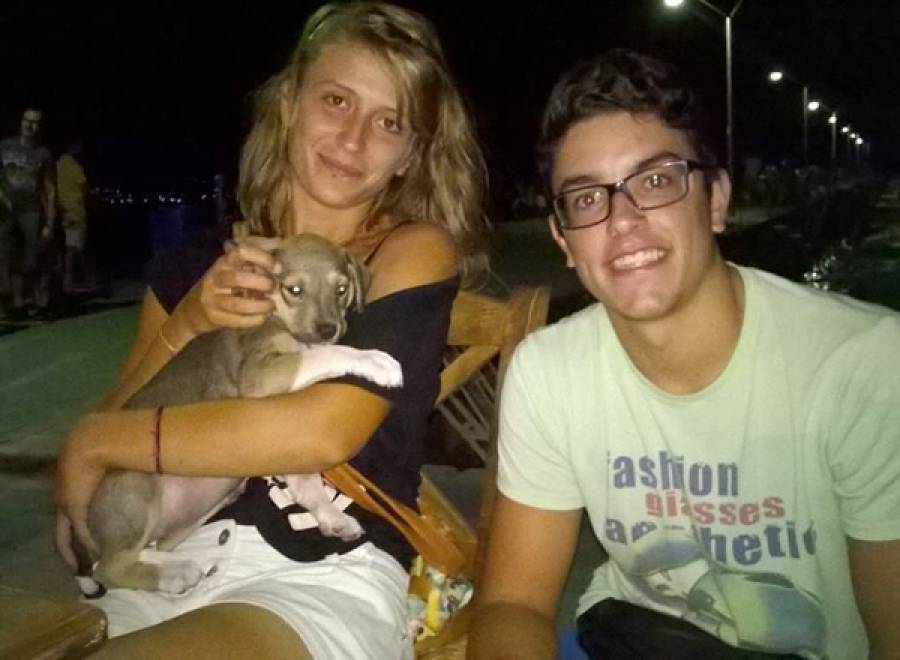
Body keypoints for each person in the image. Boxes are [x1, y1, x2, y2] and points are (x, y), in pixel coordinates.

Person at [54, 3, 487, 658]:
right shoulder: (196, 266)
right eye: (336, 100)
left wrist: (89, 442)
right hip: (170, 557)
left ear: (409, 156)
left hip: (318, 576)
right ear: (289, 103)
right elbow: (107, 458)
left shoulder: (405, 254)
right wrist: (191, 321)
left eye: (388, 122)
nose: (353, 138)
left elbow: (319, 430)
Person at [470, 48, 900, 660]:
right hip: (631, 636)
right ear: (563, 240)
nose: (623, 220)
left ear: (716, 200)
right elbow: (514, 604)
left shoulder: (866, 365)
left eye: (655, 181)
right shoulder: (548, 371)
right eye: (587, 198)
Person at [0, 107, 55, 318]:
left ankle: (31, 301)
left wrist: (50, 221)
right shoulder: (5, 146)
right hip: (5, 210)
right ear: (20, 121)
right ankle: (10, 303)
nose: (30, 126)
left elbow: (49, 188)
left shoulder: (43, 154)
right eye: (27, 120)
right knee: (4, 257)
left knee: (32, 259)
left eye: (35, 122)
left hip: (31, 211)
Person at [56, 138, 90, 292]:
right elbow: (83, 185)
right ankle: (70, 281)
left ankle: (68, 280)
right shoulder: (74, 166)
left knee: (67, 248)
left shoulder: (59, 163)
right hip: (75, 211)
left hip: (63, 210)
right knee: (74, 248)